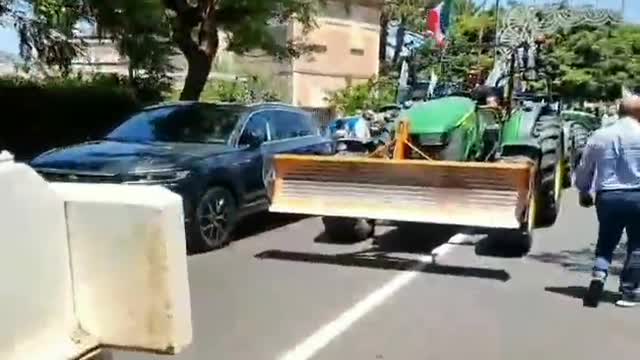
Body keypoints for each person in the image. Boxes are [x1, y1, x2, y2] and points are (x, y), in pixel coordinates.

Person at [576, 96, 640, 308]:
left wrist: (584, 190)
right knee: (637, 245)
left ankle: (599, 274)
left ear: (620, 111)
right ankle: (629, 293)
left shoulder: (601, 135)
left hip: (608, 196)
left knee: (606, 240)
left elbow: (585, 166)